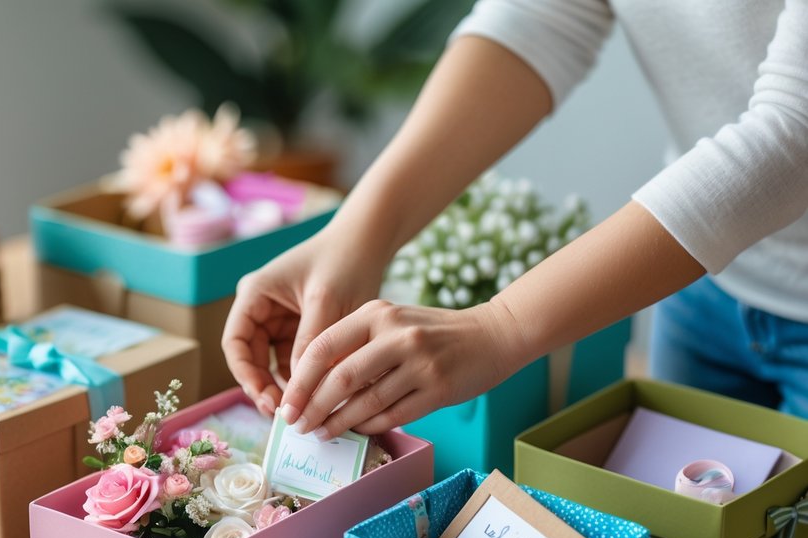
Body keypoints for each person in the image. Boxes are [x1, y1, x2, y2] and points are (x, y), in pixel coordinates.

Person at [222, 1, 808, 441]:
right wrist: (354, 236)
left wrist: (502, 327)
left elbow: (795, 134)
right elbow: (540, 18)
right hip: (702, 279)